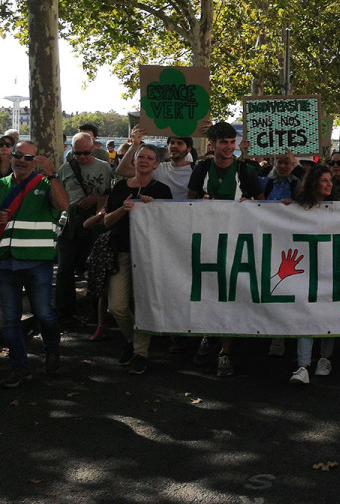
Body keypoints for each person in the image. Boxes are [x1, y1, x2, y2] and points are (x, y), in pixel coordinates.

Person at [188, 122, 263, 376]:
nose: (229, 147)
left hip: (237, 241)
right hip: (209, 240)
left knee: (232, 292)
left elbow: (263, 205)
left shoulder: (245, 170)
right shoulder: (201, 169)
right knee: (211, 289)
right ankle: (210, 333)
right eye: (224, 143)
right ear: (213, 145)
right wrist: (201, 201)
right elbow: (188, 202)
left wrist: (249, 203)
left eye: (232, 143)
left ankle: (226, 352)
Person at [0, 141, 69, 388]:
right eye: (17, 155)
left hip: (37, 261)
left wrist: (51, 174)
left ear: (36, 160)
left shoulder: (44, 183)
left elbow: (63, 205)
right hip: (6, 263)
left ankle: (52, 349)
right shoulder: (2, 185)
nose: (21, 160)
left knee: (44, 312)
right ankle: (19, 366)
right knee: (10, 319)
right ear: (11, 157)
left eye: (28, 157)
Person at [102, 144, 172, 374]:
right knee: (117, 307)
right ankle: (132, 341)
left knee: (142, 303)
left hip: (147, 256)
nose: (143, 160)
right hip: (121, 252)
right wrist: (124, 209)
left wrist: (153, 210)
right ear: (133, 161)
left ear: (156, 164)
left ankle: (141, 352)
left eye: (149, 158)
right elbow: (107, 221)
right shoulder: (120, 187)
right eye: (140, 156)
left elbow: (168, 225)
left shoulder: (162, 190)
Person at [287, 165, 338, 384]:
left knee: (328, 313)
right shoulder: (299, 208)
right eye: (325, 180)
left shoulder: (337, 206)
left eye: (330, 180)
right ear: (314, 182)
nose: (329, 184)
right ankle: (303, 365)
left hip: (331, 267)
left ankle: (325, 359)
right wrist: (282, 209)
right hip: (307, 268)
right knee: (306, 313)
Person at [56, 132, 113, 323]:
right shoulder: (65, 169)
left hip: (94, 224)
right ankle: (64, 311)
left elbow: (112, 195)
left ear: (93, 149)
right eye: (77, 153)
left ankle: (94, 311)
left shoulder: (105, 168)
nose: (81, 157)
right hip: (69, 224)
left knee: (94, 269)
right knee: (64, 269)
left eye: (86, 153)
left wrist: (96, 200)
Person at [117, 128, 195, 200]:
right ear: (167, 147)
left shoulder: (196, 170)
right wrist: (135, 145)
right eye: (172, 143)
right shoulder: (158, 168)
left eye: (179, 143)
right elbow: (123, 171)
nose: (174, 146)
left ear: (188, 149)